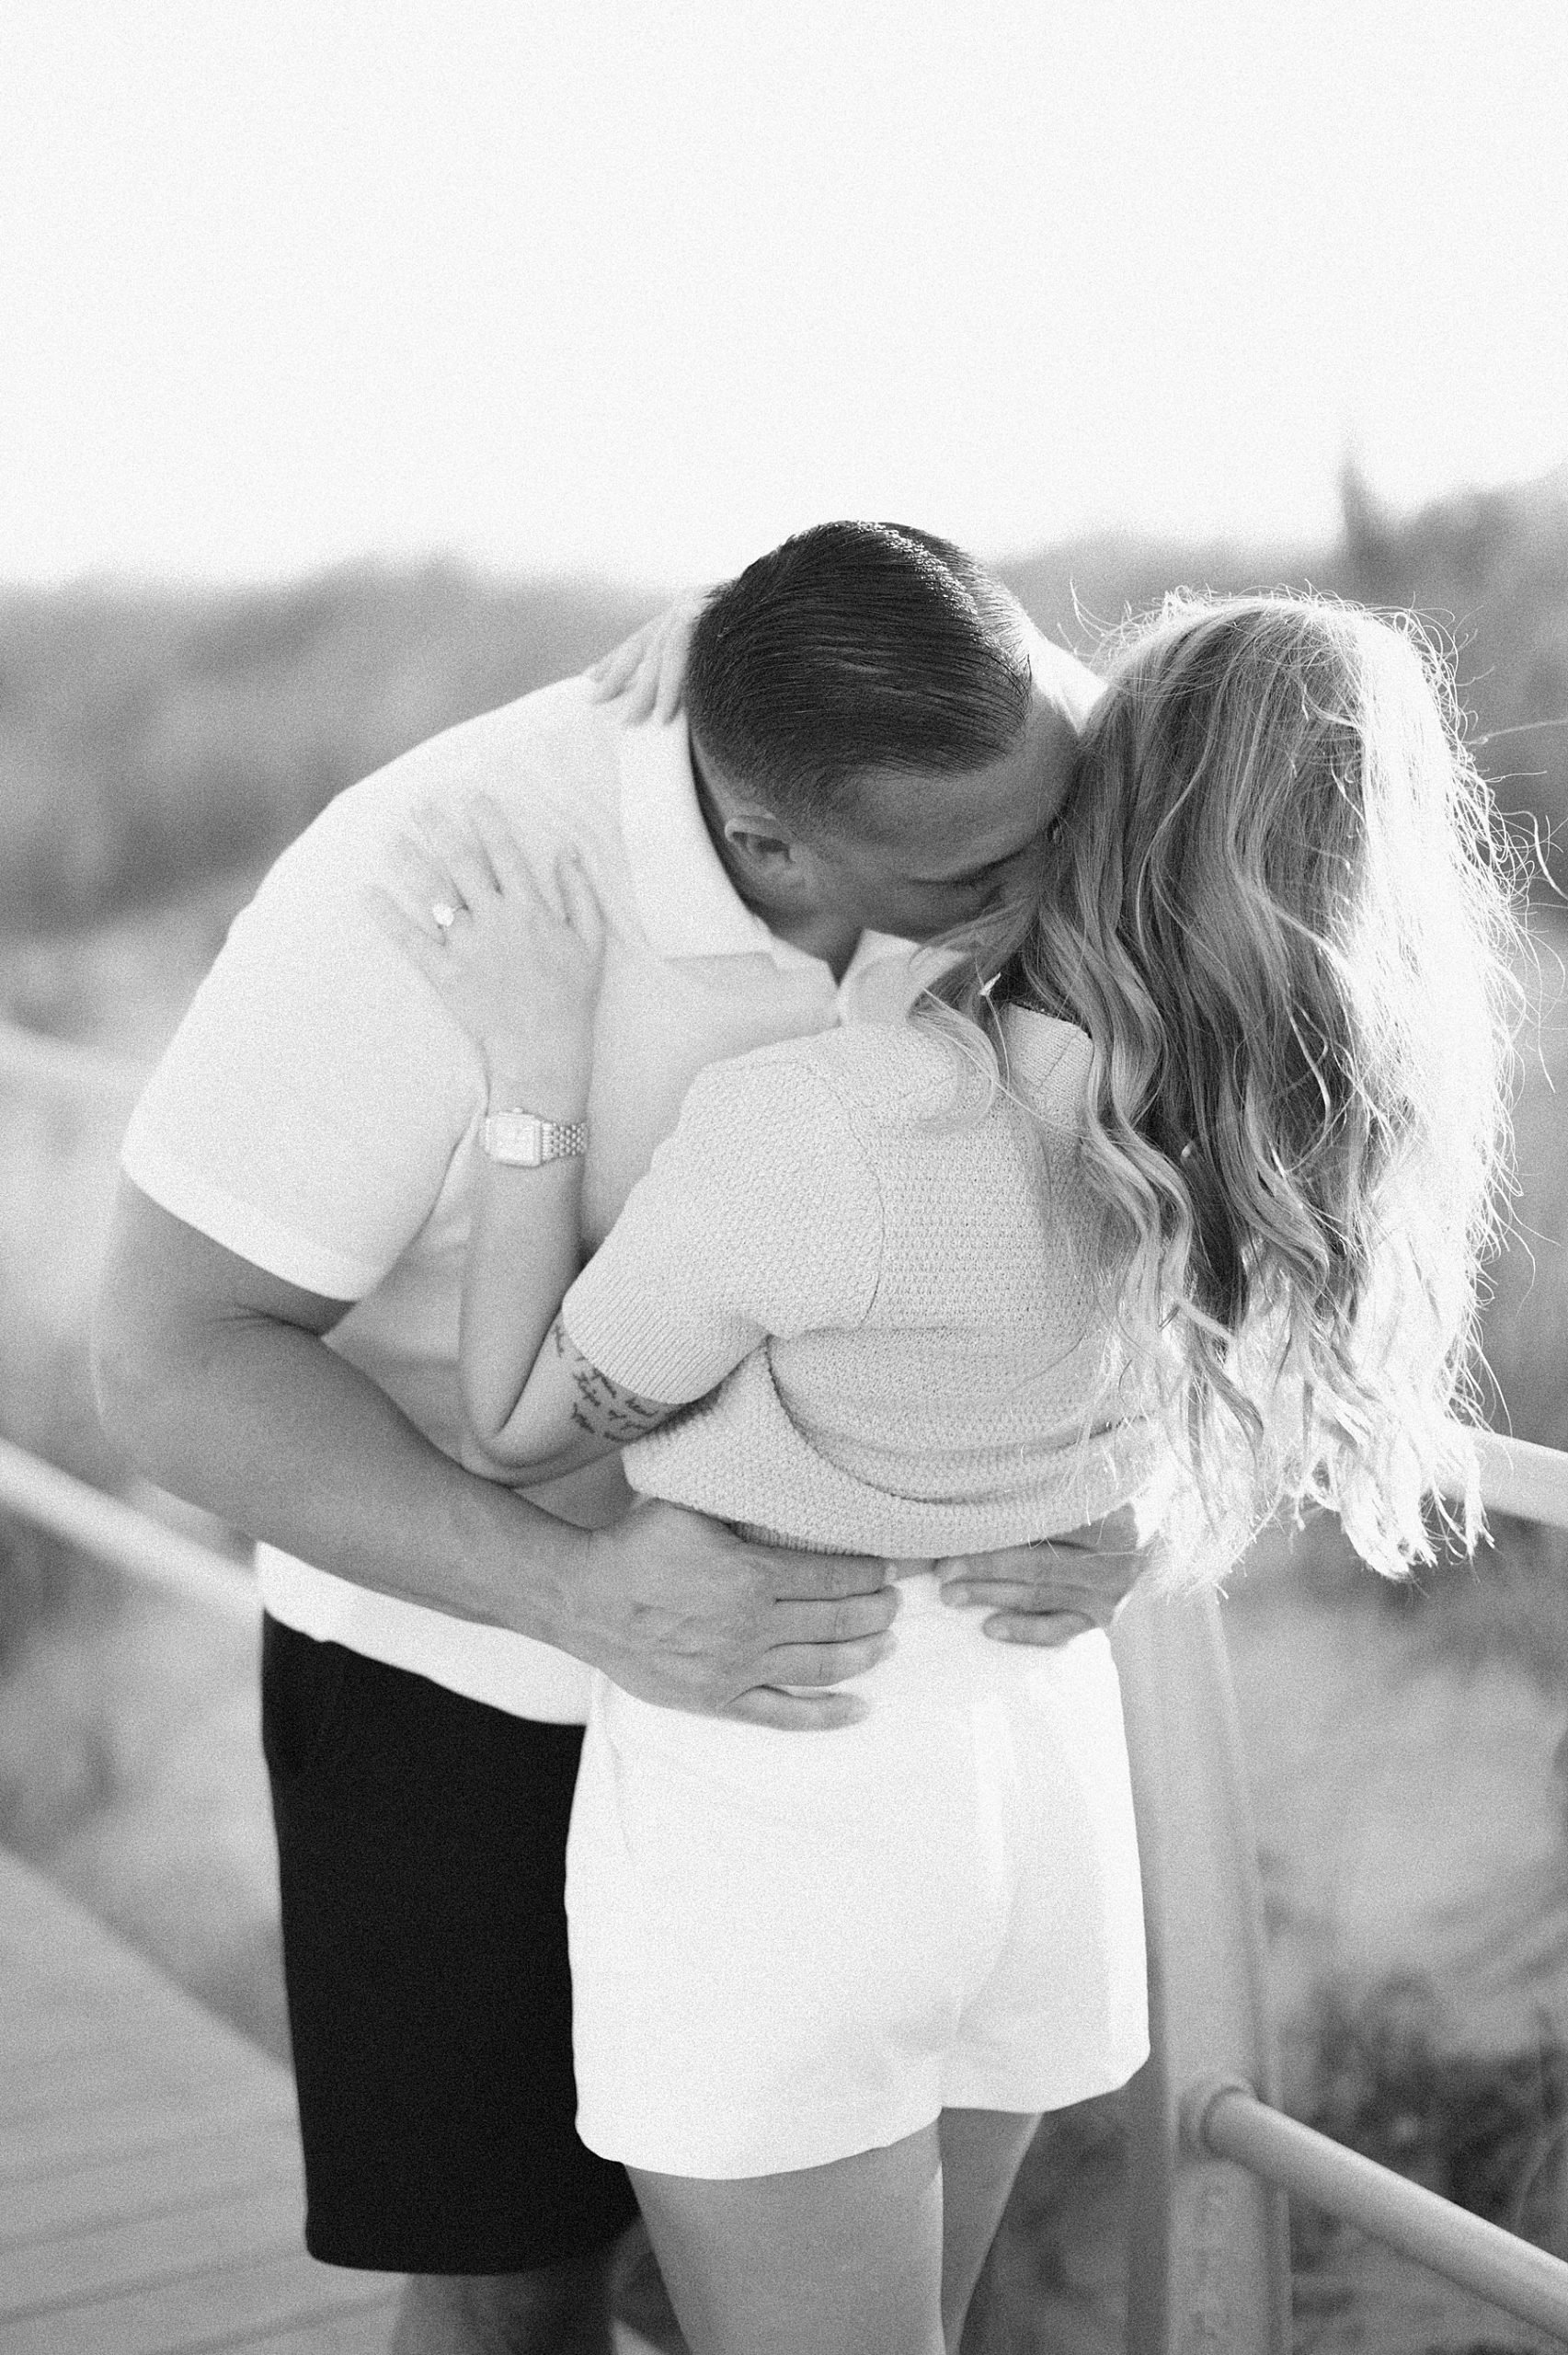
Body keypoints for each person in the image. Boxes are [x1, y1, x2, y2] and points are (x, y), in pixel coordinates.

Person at [375, 589, 1520, 2355]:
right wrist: (741, 625)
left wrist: (533, 1082)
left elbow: (518, 1428)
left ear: (1080, 812)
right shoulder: (1227, 1139)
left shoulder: (830, 1127)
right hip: (1039, 1774)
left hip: (791, 1787)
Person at [90, 523, 1151, 2355]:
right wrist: (574, 1594)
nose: (1055, 886)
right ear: (769, 842)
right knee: (517, 2291)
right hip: (470, 1675)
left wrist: (1137, 1479)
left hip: (871, 1708)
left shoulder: (1024, 766)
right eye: (981, 875)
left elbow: (1194, 1152)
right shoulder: (424, 890)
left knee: (866, 2292)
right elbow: (169, 1363)